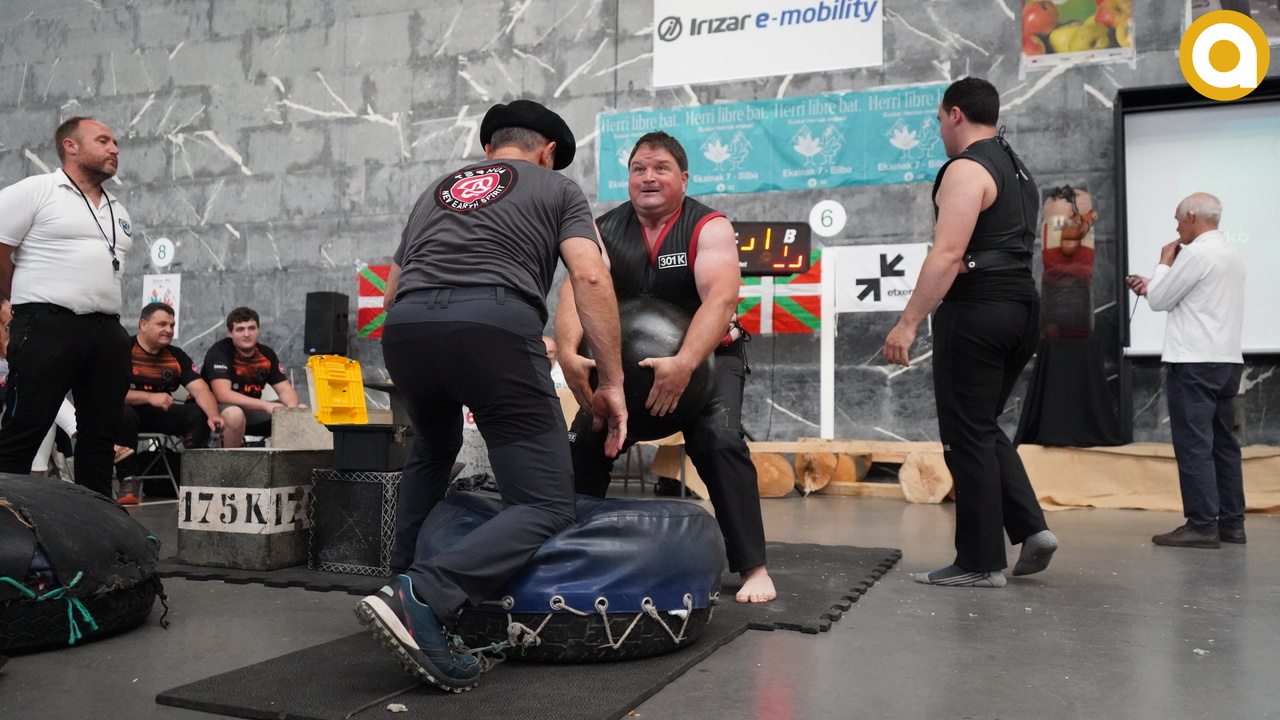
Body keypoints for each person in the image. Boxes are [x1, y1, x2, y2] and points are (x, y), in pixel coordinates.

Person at [356, 99, 627, 693]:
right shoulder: (558, 189)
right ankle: (422, 596)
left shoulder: (436, 191)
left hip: (405, 329)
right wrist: (611, 381)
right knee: (546, 503)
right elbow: (589, 275)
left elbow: (393, 287)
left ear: (488, 150)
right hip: (492, 324)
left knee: (434, 444)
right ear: (547, 153)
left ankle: (396, 581)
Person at [556, 131, 777, 604]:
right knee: (586, 441)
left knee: (718, 440)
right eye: (639, 169)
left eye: (661, 168)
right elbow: (576, 287)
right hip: (625, 369)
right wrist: (570, 351)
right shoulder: (602, 230)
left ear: (684, 178)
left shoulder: (708, 226)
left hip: (709, 359)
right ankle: (572, 552)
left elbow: (721, 299)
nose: (648, 177)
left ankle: (754, 567)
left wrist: (684, 362)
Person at [882, 78, 1057, 589]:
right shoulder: (1019, 170)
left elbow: (948, 254)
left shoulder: (966, 168)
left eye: (939, 120)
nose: (939, 130)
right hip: (1023, 310)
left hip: (978, 311)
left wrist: (908, 322)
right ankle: (1032, 528)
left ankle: (980, 562)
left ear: (955, 114)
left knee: (965, 435)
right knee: (980, 424)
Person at [0, 117, 133, 497]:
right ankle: (6, 519)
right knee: (25, 427)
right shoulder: (36, 190)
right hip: (47, 324)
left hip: (106, 330)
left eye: (115, 142)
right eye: (103, 141)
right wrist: (16, 302)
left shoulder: (118, 210)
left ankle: (96, 520)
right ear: (70, 146)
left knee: (101, 434)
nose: (115, 149)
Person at [1127, 193, 1246, 548]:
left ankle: (1201, 525)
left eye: (1178, 220)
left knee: (1194, 445)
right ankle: (1232, 524)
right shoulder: (1231, 254)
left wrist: (1163, 264)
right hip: (1227, 361)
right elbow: (1188, 297)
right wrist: (1154, 285)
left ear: (1192, 216)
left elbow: (1161, 300)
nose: (1177, 227)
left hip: (1194, 361)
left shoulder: (1194, 254)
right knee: (1224, 445)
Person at [115, 303, 246, 504]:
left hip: (161, 413)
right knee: (122, 413)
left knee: (198, 413)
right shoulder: (123, 350)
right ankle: (128, 480)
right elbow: (108, 393)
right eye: (162, 324)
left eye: (172, 325)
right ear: (143, 325)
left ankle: (193, 477)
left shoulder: (176, 355)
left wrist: (213, 416)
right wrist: (149, 397)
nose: (168, 330)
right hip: (129, 414)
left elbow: (200, 389)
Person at [202, 307, 301, 439]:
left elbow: (285, 390)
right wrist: (265, 405)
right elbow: (222, 395)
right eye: (240, 329)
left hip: (251, 411)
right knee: (235, 414)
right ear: (230, 333)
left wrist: (291, 410)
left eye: (251, 328)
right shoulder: (220, 352)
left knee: (301, 410)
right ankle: (224, 453)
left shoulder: (266, 354)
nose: (247, 334)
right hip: (214, 411)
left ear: (258, 330)